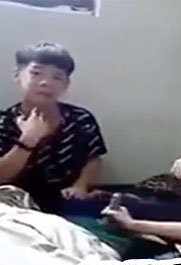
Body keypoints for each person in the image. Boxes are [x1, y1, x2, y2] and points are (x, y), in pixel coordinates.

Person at [0, 42, 107, 212]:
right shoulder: (3, 122)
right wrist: (28, 140)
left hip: (69, 202)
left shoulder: (80, 118)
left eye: (57, 77)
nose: (46, 83)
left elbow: (94, 159)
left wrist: (80, 186)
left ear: (66, 84)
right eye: (36, 73)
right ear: (17, 76)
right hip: (16, 207)